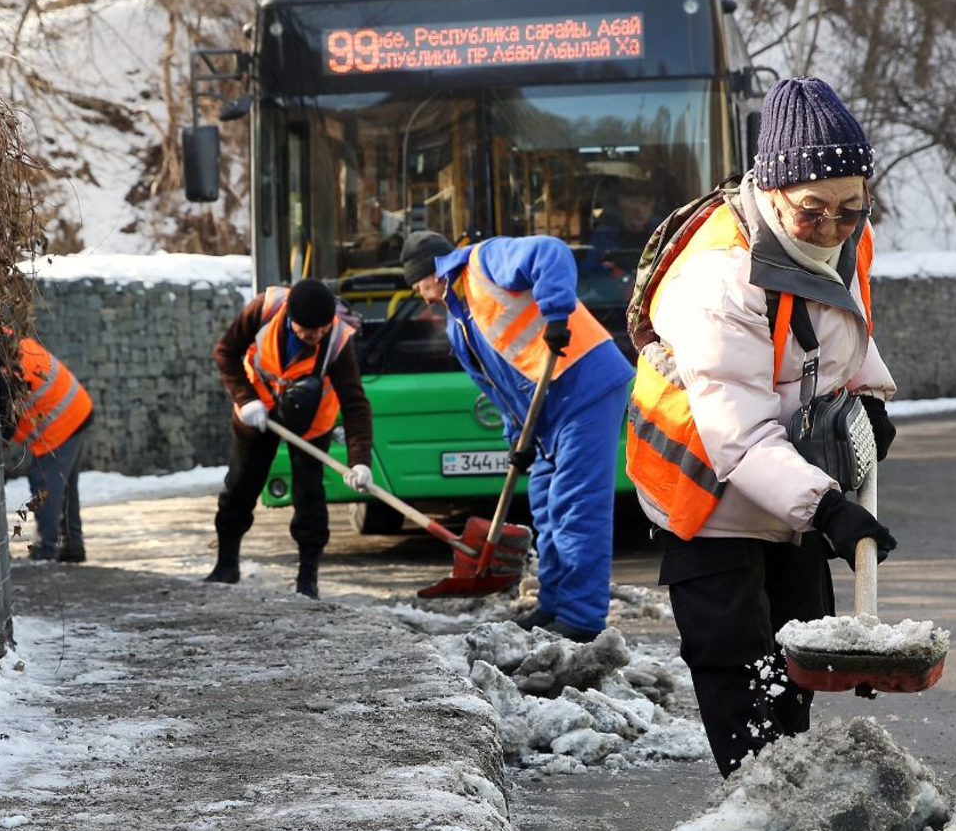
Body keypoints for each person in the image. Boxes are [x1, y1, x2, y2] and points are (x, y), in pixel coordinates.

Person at [625, 77, 900, 775]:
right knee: (739, 668)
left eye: (852, 208)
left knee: (795, 655)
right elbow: (739, 435)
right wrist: (829, 506)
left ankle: (795, 793)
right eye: (815, 213)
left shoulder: (844, 240)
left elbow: (841, 338)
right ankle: (758, 814)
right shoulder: (721, 278)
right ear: (772, 192)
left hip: (790, 476)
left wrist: (868, 401)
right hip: (706, 488)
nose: (836, 228)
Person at [399, 230, 635, 642]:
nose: (423, 297)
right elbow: (498, 386)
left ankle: (581, 620)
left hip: (585, 383)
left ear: (432, 272)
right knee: (544, 507)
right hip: (544, 414)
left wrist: (557, 314)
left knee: (576, 508)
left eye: (418, 286)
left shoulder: (484, 263)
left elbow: (550, 252)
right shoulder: (460, 327)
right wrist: (516, 439)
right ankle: (555, 603)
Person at [206, 278, 374, 599]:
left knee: (310, 496)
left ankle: (307, 581)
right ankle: (226, 566)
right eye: (306, 329)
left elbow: (355, 403)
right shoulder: (264, 310)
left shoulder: (338, 340)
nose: (314, 336)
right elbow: (225, 352)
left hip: (311, 421)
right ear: (288, 316)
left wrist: (360, 462)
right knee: (240, 486)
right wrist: (246, 399)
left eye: (320, 329)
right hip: (257, 412)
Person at [1, 335, 94, 563]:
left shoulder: (1, 358)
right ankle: (71, 545)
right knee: (64, 486)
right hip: (76, 409)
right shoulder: (6, 341)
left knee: (45, 483)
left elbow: (4, 416)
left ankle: (47, 550)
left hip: (61, 421)